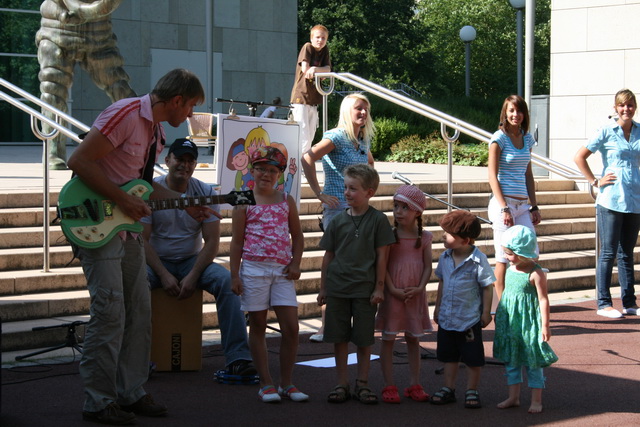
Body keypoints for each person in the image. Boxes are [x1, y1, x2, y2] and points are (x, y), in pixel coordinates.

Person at [67, 68, 212, 425]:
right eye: (191, 106)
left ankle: (130, 392)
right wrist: (124, 201)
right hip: (95, 226)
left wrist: (186, 204)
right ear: (177, 100)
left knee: (139, 311)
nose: (191, 114)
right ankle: (98, 400)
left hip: (126, 230)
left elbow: (142, 187)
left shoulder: (157, 133)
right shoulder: (126, 114)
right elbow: (79, 161)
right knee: (110, 311)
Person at [141, 138, 255, 377]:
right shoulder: (151, 191)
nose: (185, 165)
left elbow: (212, 241)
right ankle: (138, 360)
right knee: (135, 284)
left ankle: (238, 358)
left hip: (192, 261)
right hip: (155, 263)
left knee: (227, 282)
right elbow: (143, 240)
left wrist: (193, 275)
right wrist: (162, 273)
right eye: (180, 159)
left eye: (191, 161)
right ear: (167, 160)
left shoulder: (204, 191)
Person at [229, 146, 308, 403]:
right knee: (259, 325)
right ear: (252, 170)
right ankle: (266, 383)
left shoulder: (287, 200)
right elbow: (236, 242)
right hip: (253, 270)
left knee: (292, 328)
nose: (266, 174)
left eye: (272, 170)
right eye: (261, 168)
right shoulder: (243, 200)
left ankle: (287, 382)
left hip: (283, 271)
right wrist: (234, 275)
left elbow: (297, 236)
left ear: (280, 175)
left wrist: (296, 263)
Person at [318, 164, 396, 404]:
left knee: (364, 339)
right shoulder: (338, 221)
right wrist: (323, 287)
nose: (347, 193)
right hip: (338, 288)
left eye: (353, 188)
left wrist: (379, 287)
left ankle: (362, 383)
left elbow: (383, 256)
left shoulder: (378, 220)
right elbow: (328, 256)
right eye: (346, 188)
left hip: (364, 289)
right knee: (339, 339)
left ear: (369, 192)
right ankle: (342, 383)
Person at [301, 93, 375, 343]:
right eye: (358, 109)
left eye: (365, 109)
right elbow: (307, 157)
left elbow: (370, 165)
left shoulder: (362, 139)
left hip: (359, 210)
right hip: (337, 208)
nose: (363, 113)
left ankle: (349, 324)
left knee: (356, 262)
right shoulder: (337, 135)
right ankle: (325, 326)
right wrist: (318, 193)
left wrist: (368, 190)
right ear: (347, 111)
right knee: (336, 264)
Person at [574, 89, 640, 319]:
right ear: (615, 108)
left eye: (630, 105)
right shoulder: (606, 131)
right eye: (622, 106)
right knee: (608, 253)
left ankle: (629, 302)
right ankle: (603, 303)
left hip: (634, 200)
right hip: (611, 199)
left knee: (627, 253)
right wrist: (595, 181)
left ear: (635, 107)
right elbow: (579, 157)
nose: (626, 109)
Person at [430, 210, 495, 409]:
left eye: (448, 234)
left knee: (473, 358)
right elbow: (442, 282)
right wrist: (438, 306)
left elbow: (487, 286)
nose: (443, 236)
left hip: (468, 319)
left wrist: (485, 312)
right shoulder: (445, 257)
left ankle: (471, 389)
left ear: (465, 240)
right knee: (448, 356)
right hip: (448, 317)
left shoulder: (478, 260)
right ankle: (448, 388)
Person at [375, 185, 433, 404]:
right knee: (388, 338)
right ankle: (389, 385)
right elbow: (384, 265)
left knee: (413, 339)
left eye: (404, 208)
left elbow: (428, 266)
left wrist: (419, 287)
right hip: (393, 295)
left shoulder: (425, 237)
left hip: (414, 295)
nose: (398, 211)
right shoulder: (389, 235)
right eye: (396, 206)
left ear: (417, 211)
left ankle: (414, 383)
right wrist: (390, 288)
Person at [493, 225, 558, 414]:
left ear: (522, 253)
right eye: (505, 252)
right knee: (512, 360)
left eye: (509, 253)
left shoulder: (536, 273)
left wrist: (545, 325)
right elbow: (506, 295)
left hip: (529, 323)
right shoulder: (511, 268)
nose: (506, 257)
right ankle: (513, 397)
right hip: (511, 322)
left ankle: (536, 400)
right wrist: (500, 313)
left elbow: (543, 299)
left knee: (533, 361)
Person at [488, 95, 541, 300]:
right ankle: (503, 306)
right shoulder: (498, 138)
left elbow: (528, 174)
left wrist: (534, 206)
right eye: (511, 111)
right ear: (505, 113)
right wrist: (503, 207)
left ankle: (527, 299)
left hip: (522, 206)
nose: (515, 115)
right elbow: (492, 176)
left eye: (519, 111)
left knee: (530, 252)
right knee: (503, 257)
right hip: (504, 204)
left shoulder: (527, 139)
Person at [290, 24, 331, 156]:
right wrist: (315, 70)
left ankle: (304, 165)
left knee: (311, 133)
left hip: (313, 99)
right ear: (312, 38)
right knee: (303, 135)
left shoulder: (325, 51)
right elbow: (305, 69)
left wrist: (316, 70)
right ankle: (301, 168)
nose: (320, 40)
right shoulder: (307, 47)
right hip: (301, 97)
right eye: (318, 37)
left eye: (323, 38)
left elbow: (328, 70)